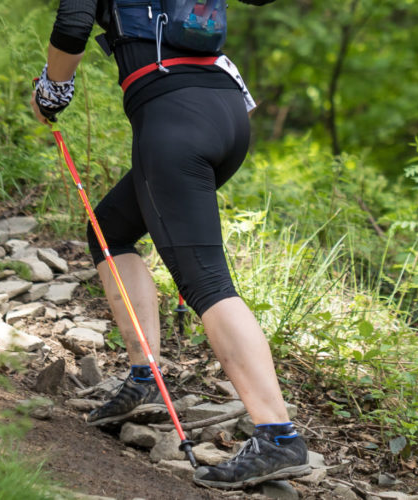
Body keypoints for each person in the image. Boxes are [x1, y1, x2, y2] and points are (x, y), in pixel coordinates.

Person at [32, 0, 312, 489]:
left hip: (174, 118)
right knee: (111, 230)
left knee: (207, 281)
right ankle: (145, 377)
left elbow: (73, 23)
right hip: (226, 113)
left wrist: (53, 89)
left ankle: (278, 435)